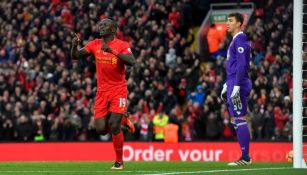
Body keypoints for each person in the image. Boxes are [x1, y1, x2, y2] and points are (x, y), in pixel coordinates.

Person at [71, 18, 136, 170]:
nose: (101, 27)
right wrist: (74, 46)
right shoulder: (94, 44)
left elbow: (132, 61)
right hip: (101, 91)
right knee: (100, 130)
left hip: (118, 90)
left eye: (105, 25)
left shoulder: (122, 45)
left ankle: (119, 162)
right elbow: (76, 56)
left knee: (113, 125)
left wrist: (113, 51)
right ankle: (123, 120)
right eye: (100, 25)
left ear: (113, 29)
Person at [220, 13, 252, 166]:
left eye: (231, 21)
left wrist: (237, 85)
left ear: (239, 24)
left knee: (240, 119)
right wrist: (227, 84)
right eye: (227, 20)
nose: (227, 23)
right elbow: (233, 65)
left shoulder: (240, 39)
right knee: (235, 120)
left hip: (238, 82)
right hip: (232, 81)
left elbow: (242, 64)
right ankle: (244, 156)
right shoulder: (234, 40)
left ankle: (246, 157)